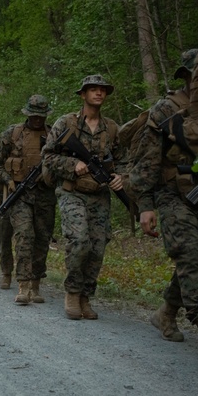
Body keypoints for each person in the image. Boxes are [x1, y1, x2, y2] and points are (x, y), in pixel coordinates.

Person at [128, 52, 198, 364]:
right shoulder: (167, 110)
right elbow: (146, 164)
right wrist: (145, 206)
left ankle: (167, 311)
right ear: (186, 75)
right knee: (189, 256)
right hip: (171, 195)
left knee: (197, 260)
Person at [43, 76, 126, 320]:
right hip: (72, 191)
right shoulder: (65, 123)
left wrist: (123, 178)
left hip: (100, 195)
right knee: (80, 241)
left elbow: (123, 160)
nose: (98, 93)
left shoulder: (111, 128)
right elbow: (47, 157)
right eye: (93, 90)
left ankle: (85, 297)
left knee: (97, 247)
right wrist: (73, 163)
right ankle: (72, 292)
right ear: (83, 94)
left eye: (102, 90)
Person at [0, 95, 56, 301]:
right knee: (24, 236)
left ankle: (36, 284)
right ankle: (23, 285)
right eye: (33, 115)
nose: (37, 119)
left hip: (45, 195)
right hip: (20, 194)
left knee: (42, 239)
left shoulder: (53, 134)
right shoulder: (12, 134)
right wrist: (7, 179)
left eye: (40, 116)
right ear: (27, 114)